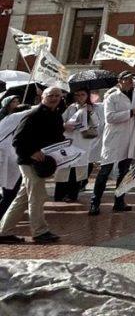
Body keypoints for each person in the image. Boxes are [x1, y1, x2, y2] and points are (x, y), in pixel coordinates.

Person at [0, 86, 65, 245]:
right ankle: (40, 231)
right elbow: (18, 140)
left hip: (42, 162)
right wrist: (32, 152)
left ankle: (3, 231)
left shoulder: (56, 116)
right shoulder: (33, 115)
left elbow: (57, 138)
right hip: (28, 161)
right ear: (43, 96)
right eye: (50, 95)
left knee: (22, 197)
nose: (54, 98)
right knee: (37, 196)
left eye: (57, 95)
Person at [89, 72, 135, 216]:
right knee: (105, 170)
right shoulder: (112, 97)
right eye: (126, 79)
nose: (129, 82)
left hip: (131, 137)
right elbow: (110, 117)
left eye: (131, 79)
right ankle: (95, 203)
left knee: (124, 171)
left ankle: (119, 201)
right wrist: (131, 112)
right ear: (119, 81)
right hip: (115, 139)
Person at [54, 88, 98, 202]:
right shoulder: (71, 107)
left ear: (87, 96)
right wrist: (65, 125)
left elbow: (98, 122)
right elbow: (61, 120)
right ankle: (59, 194)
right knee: (65, 167)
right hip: (69, 141)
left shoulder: (93, 108)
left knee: (77, 170)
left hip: (83, 142)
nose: (79, 97)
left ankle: (72, 195)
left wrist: (90, 112)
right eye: (77, 95)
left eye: (82, 94)